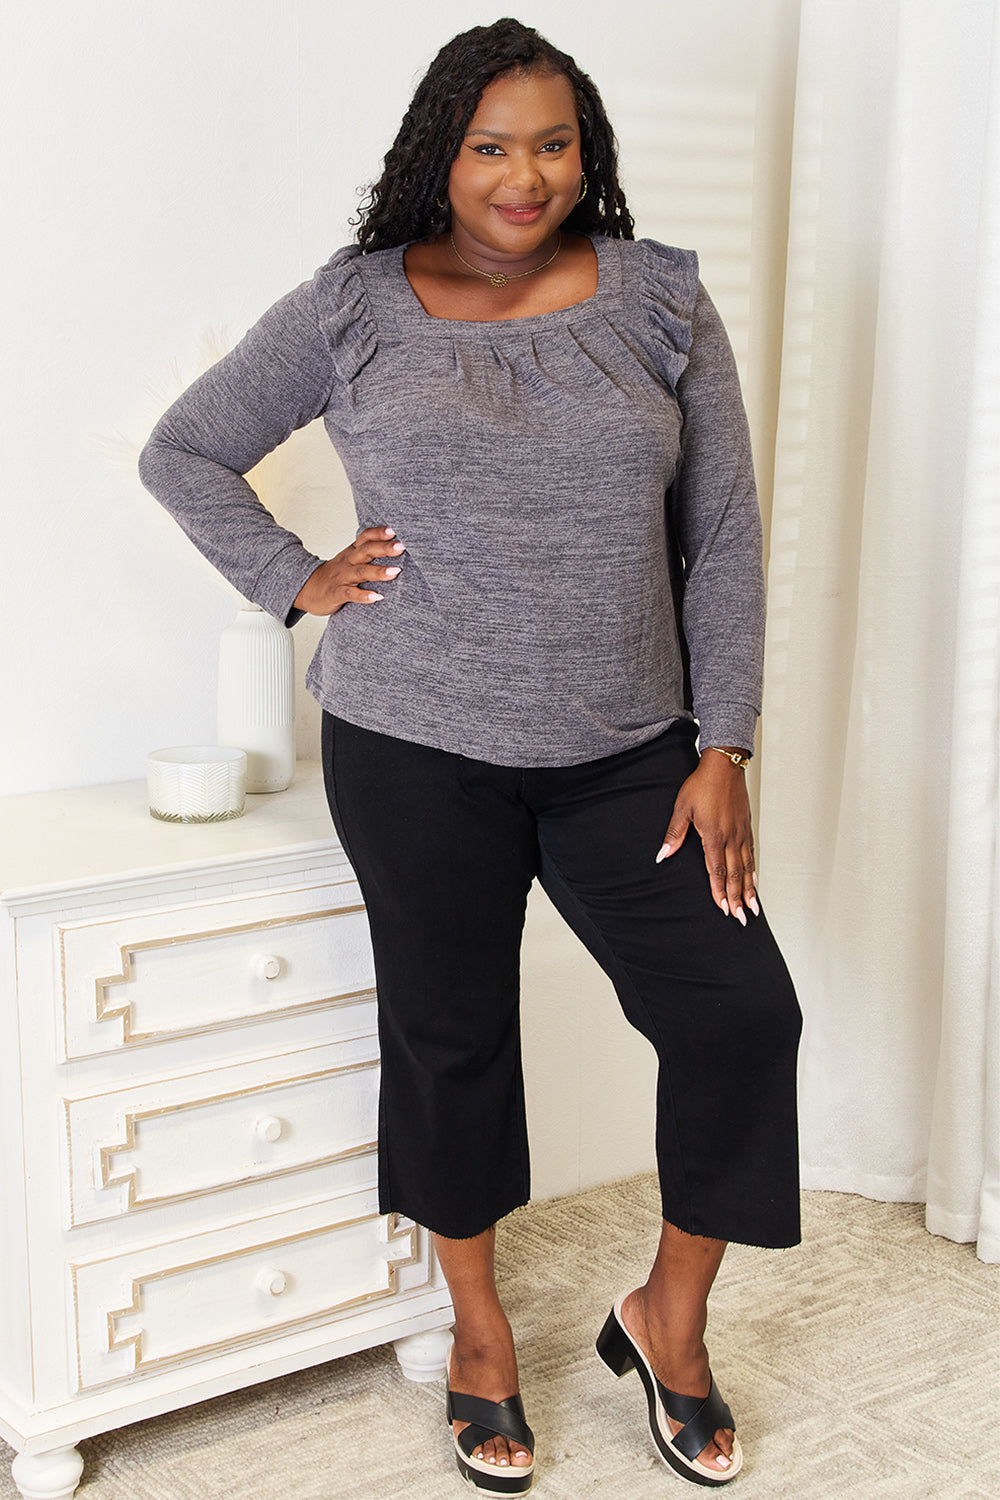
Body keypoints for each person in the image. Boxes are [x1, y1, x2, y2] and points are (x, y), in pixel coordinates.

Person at [139, 17, 801, 1494]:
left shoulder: (662, 303)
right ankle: (480, 1333)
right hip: (413, 743)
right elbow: (185, 448)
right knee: (451, 1044)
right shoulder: (353, 305)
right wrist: (297, 577)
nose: (525, 175)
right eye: (491, 144)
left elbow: (724, 544)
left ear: (590, 152)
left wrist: (727, 745)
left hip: (632, 753)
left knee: (741, 1019)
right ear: (439, 152)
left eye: (554, 143)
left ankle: (667, 1324)